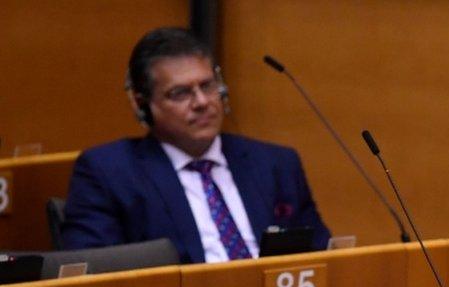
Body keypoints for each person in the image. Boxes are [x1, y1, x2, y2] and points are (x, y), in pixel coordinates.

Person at [61, 27, 330, 263]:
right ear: (143, 105)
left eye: (208, 86)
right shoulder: (109, 173)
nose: (202, 102)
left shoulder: (275, 164)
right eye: (180, 93)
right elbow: (92, 280)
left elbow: (322, 258)